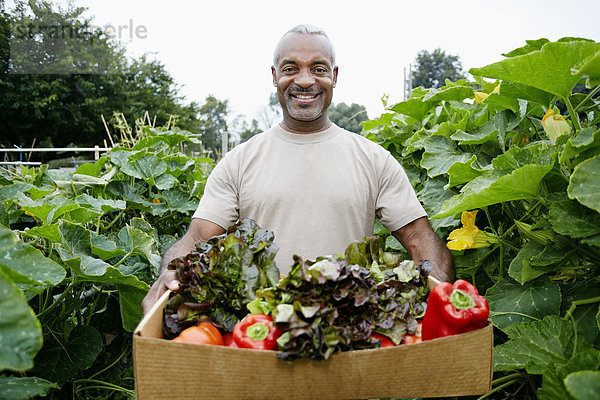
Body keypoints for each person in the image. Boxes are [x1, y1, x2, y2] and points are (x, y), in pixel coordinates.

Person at [142, 24, 454, 315]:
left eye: (318, 69)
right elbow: (196, 238)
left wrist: (440, 286)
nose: (305, 80)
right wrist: (171, 273)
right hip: (261, 332)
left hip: (349, 330)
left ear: (334, 75)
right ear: (274, 75)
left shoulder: (374, 159)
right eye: (291, 69)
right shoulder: (238, 162)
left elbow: (419, 237)